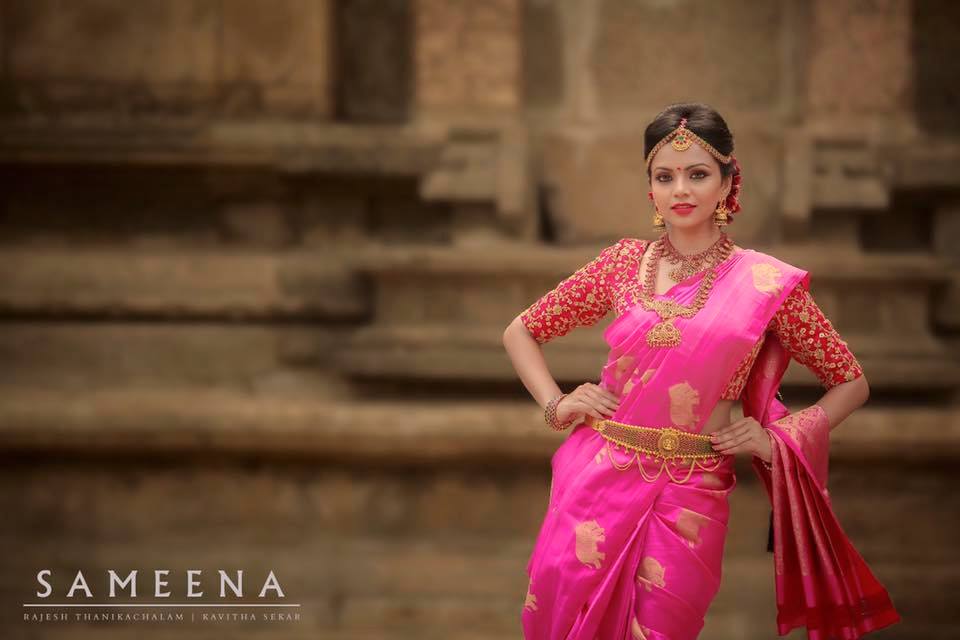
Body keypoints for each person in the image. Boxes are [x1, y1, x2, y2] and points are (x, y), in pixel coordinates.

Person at [502, 103, 901, 640]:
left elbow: (851, 382)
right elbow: (521, 331)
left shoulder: (763, 282)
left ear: (727, 183)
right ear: (650, 188)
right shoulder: (622, 264)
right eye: (664, 177)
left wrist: (775, 438)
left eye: (697, 174)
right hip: (596, 478)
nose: (680, 190)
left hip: (692, 489)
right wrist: (558, 404)